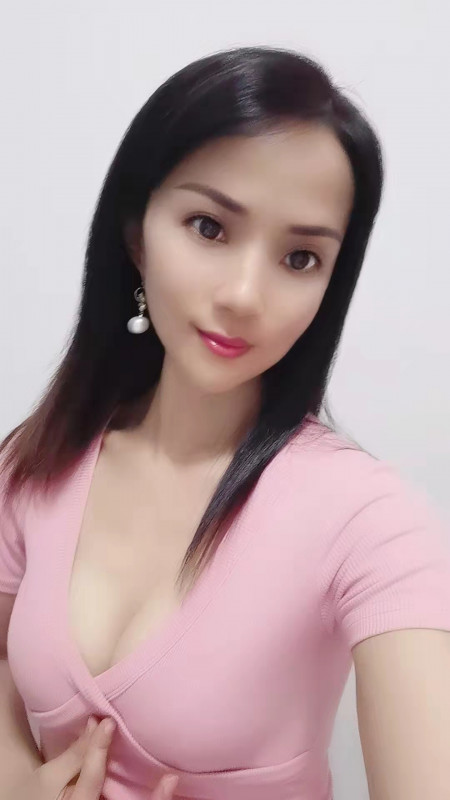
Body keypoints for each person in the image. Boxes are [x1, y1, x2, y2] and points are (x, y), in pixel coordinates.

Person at [0, 45, 449, 800]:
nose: (244, 294)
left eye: (300, 259)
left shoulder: (369, 521)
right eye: (209, 227)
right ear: (137, 232)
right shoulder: (38, 460)